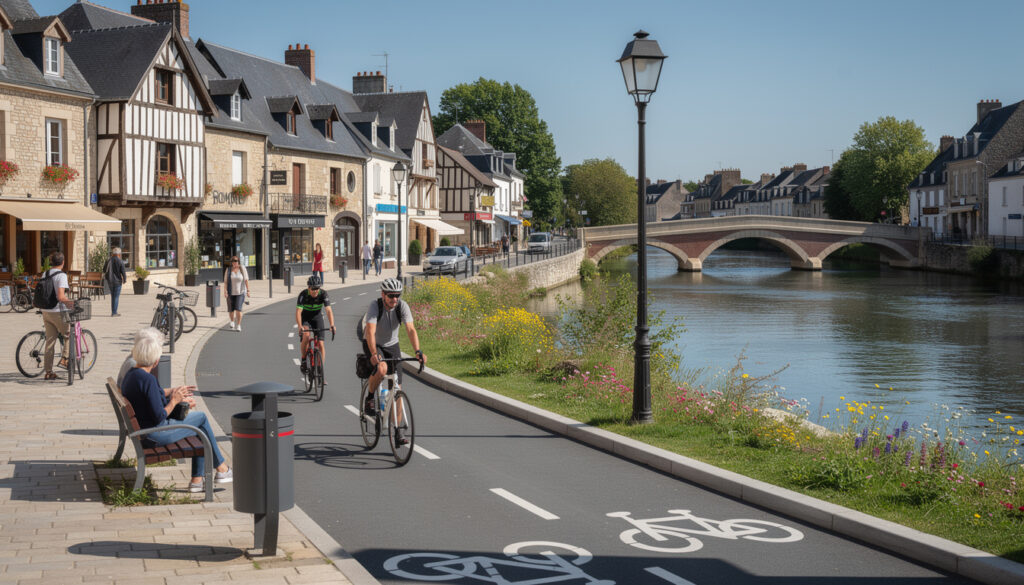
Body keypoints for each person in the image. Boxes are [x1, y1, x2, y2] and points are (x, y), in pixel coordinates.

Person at [120, 333, 232, 493]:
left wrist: (179, 399)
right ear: (156, 360)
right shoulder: (148, 380)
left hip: (145, 431)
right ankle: (219, 469)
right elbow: (159, 415)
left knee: (199, 424)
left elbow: (152, 403)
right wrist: (175, 400)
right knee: (201, 419)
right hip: (154, 434)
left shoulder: (132, 374)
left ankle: (200, 479)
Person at [359, 278, 425, 445]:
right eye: (391, 296)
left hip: (392, 345)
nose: (394, 299)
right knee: (381, 368)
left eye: (397, 295)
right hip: (373, 343)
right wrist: (374, 353)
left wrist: (417, 351)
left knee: (397, 389)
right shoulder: (375, 306)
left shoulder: (402, 306)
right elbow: (371, 332)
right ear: (383, 294)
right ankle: (370, 397)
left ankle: (398, 432)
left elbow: (410, 329)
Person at [41, 252, 74, 381]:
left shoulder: (46, 273)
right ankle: (65, 359)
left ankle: (48, 372)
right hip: (57, 311)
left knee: (50, 341)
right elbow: (60, 296)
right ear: (63, 262)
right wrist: (71, 303)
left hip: (46, 310)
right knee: (68, 334)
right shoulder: (61, 276)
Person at [295, 275, 335, 377]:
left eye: (317, 288)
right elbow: (298, 312)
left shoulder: (323, 294)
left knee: (321, 344)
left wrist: (332, 325)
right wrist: (300, 326)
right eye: (313, 289)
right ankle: (304, 359)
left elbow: (328, 310)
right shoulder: (303, 295)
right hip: (306, 318)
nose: (315, 291)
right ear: (309, 287)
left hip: (317, 318)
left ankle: (320, 369)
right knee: (307, 336)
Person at [223, 256, 249, 332]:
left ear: (238, 261)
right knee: (231, 309)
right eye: (233, 261)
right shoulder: (228, 270)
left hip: (240, 292)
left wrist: (248, 290)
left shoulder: (242, 268)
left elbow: (246, 280)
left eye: (236, 261)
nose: (234, 262)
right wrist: (225, 291)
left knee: (238, 309)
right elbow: (225, 282)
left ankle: (238, 325)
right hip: (230, 292)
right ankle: (232, 321)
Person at [102, 247, 127, 316]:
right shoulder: (120, 261)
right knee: (116, 297)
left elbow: (104, 270)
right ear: (119, 254)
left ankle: (114, 311)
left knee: (113, 296)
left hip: (110, 281)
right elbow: (123, 272)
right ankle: (114, 312)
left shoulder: (108, 260)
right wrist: (124, 279)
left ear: (113, 253)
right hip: (117, 281)